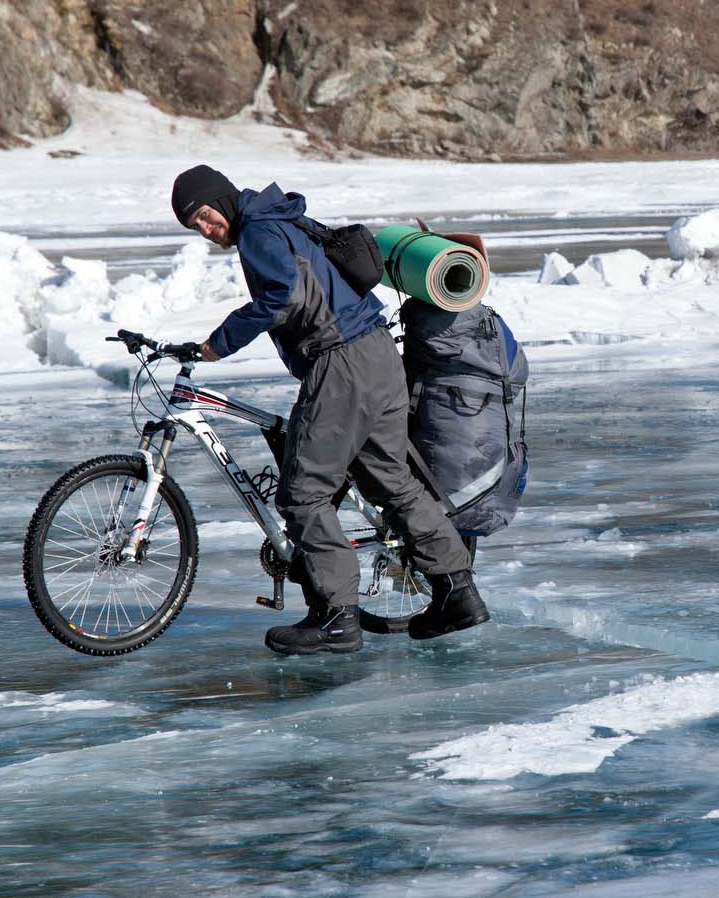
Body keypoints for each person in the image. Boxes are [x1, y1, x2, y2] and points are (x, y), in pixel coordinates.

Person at [169, 164, 488, 656]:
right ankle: (457, 593)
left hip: (342, 363)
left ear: (224, 199)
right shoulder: (283, 218)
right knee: (391, 481)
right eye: (198, 229)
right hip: (379, 355)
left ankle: (337, 618)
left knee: (304, 494)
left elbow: (280, 295)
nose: (209, 231)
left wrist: (217, 345)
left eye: (208, 217)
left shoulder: (258, 232)